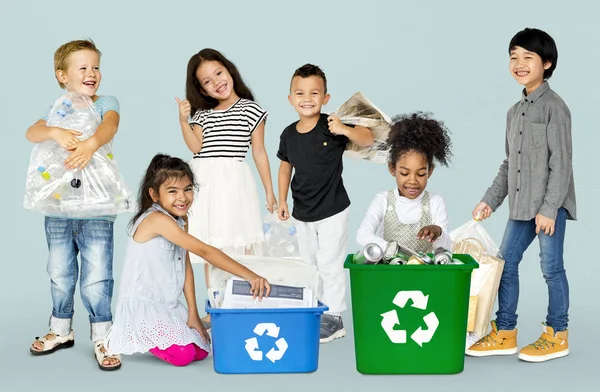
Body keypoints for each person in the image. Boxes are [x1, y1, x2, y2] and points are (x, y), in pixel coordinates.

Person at [467, 28, 576, 363]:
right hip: (521, 206)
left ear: (547, 63)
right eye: (514, 56)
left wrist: (549, 208)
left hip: (548, 207)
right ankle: (506, 332)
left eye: (528, 57)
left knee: (551, 267)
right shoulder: (514, 112)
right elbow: (508, 164)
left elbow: (561, 162)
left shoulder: (554, 108)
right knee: (505, 263)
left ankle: (557, 334)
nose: (519, 63)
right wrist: (489, 200)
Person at [105, 154, 270, 367]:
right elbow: (204, 251)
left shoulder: (182, 219)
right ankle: (145, 336)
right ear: (154, 195)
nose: (182, 198)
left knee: (201, 352)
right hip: (144, 306)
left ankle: (179, 326)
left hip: (169, 304)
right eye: (172, 191)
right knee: (183, 356)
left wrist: (192, 312)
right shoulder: (157, 220)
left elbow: (185, 263)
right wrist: (249, 274)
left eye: (188, 189)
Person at [25, 39, 123, 370]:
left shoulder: (103, 102)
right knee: (59, 272)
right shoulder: (57, 109)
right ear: (62, 76)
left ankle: (102, 334)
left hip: (96, 206)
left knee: (97, 275)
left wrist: (91, 144)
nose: (92, 73)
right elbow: (31, 132)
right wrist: (53, 131)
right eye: (82, 67)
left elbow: (110, 124)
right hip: (59, 207)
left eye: (95, 66)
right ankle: (60, 330)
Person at [176, 49, 276, 327]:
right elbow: (196, 148)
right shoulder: (203, 115)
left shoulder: (251, 109)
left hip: (233, 184)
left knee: (237, 242)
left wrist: (269, 191)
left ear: (229, 70)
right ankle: (216, 307)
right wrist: (183, 120)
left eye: (218, 73)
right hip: (204, 184)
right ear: (200, 88)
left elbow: (259, 152)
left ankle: (242, 304)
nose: (216, 82)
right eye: (207, 81)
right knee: (210, 245)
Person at [277, 64, 373, 343]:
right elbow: (285, 168)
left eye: (314, 93)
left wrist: (344, 128)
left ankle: (334, 317)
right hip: (302, 211)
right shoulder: (288, 134)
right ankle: (314, 309)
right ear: (291, 99)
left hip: (333, 208)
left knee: (329, 262)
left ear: (325, 98)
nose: (307, 98)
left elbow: (367, 140)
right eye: (300, 93)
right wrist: (281, 199)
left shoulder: (331, 124)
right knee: (308, 263)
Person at [356, 112, 453, 255]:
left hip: (425, 275)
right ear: (392, 169)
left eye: (420, 174)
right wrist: (393, 249)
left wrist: (438, 232)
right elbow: (362, 235)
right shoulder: (383, 200)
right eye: (404, 173)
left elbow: (445, 248)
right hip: (391, 274)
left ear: (429, 171)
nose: (413, 181)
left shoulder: (435, 202)